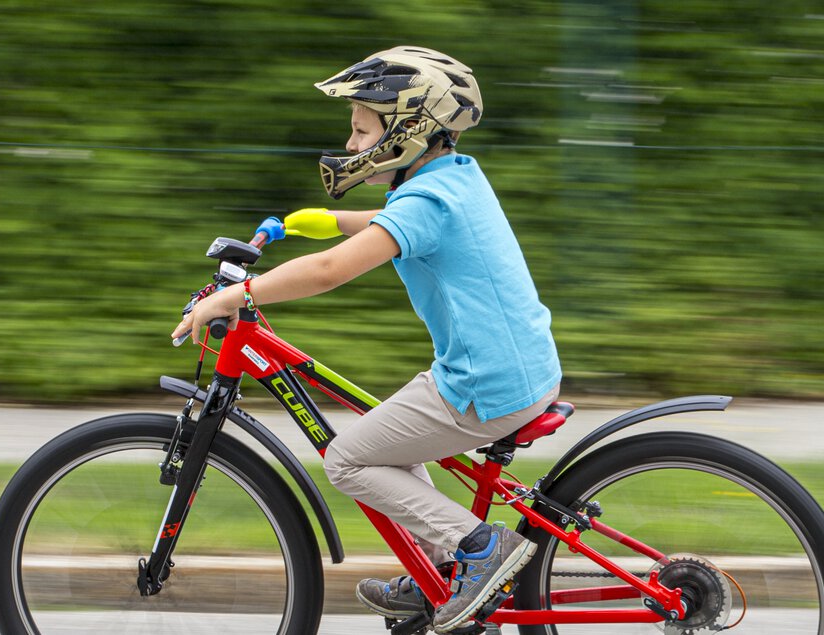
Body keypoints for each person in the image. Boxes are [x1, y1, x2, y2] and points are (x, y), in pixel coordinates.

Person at [169, 45, 562, 633]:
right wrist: (319, 220)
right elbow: (387, 222)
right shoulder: (452, 179)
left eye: (361, 130)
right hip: (512, 369)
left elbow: (332, 271)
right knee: (388, 439)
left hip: (484, 386)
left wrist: (239, 295)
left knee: (349, 459)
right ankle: (439, 566)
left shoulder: (428, 201)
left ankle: (479, 547)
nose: (352, 145)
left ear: (406, 132)